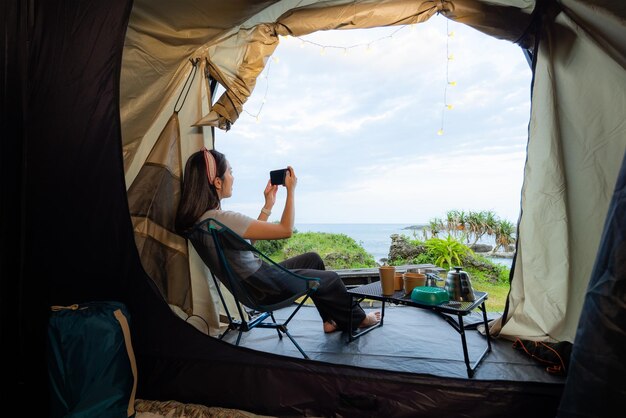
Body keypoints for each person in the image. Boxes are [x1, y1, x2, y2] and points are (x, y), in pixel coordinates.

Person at [175, 147, 379, 333]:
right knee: (331, 278)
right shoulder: (221, 218)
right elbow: (285, 230)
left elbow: (245, 244)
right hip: (266, 286)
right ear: (217, 182)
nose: (233, 177)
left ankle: (330, 320)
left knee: (313, 259)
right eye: (230, 171)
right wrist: (291, 190)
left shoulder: (206, 221)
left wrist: (268, 204)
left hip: (254, 285)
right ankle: (358, 319)